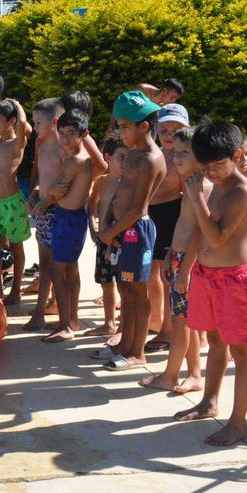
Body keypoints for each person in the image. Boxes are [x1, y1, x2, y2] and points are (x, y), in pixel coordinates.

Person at [174, 121, 247, 446]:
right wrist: (186, 269)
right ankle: (209, 401)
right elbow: (200, 232)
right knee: (215, 340)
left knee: (241, 351)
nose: (210, 172)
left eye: (217, 165)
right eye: (205, 166)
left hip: (233, 281)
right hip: (206, 276)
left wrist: (196, 197)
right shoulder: (217, 184)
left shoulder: (241, 191)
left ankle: (238, 424)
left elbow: (218, 236)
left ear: (237, 156)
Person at [97, 91, 167, 370]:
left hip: (136, 231)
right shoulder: (135, 153)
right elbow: (121, 194)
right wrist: (108, 225)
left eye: (124, 127)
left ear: (144, 127)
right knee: (125, 289)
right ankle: (125, 343)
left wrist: (109, 232)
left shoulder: (150, 158)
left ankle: (138, 351)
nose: (119, 132)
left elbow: (138, 208)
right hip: (120, 231)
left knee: (138, 292)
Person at [139, 127, 205, 394]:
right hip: (177, 257)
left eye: (184, 153)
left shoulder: (201, 187)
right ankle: (193, 374)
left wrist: (186, 269)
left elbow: (199, 232)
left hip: (188, 263)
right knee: (183, 321)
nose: (177, 158)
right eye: (175, 152)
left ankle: (172, 375)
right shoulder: (190, 184)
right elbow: (183, 226)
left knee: (182, 323)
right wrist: (169, 254)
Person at [31, 109, 93, 342]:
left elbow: (57, 190)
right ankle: (71, 319)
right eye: (62, 133)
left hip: (68, 218)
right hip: (70, 218)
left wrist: (41, 205)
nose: (65, 138)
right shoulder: (77, 157)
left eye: (71, 134)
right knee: (70, 268)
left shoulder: (75, 160)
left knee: (58, 269)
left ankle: (66, 325)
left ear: (83, 134)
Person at [145, 103, 189, 354]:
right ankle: (155, 320)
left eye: (176, 129)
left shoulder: (183, 159)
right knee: (151, 274)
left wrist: (181, 234)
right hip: (152, 216)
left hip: (173, 216)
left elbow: (189, 198)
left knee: (167, 276)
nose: (170, 135)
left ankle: (168, 330)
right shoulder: (155, 153)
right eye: (164, 130)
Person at [23, 97, 65, 331]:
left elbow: (65, 181)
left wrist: (47, 199)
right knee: (45, 262)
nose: (35, 128)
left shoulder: (64, 148)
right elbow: (41, 175)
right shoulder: (41, 144)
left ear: (55, 122)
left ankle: (44, 310)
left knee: (55, 264)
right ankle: (46, 306)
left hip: (57, 210)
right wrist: (33, 194)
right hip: (42, 208)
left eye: (39, 123)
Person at [0, 99, 33, 304]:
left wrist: (16, 104)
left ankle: (16, 289)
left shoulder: (16, 144)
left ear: (11, 121)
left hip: (12, 204)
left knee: (16, 246)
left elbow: (24, 126)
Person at [85, 132, 127, 340]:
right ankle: (109, 323)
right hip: (103, 241)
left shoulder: (130, 183)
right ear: (107, 157)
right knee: (106, 282)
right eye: (121, 157)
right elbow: (92, 206)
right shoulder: (101, 182)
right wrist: (93, 230)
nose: (125, 162)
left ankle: (122, 327)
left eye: (129, 157)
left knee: (123, 284)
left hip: (122, 243)